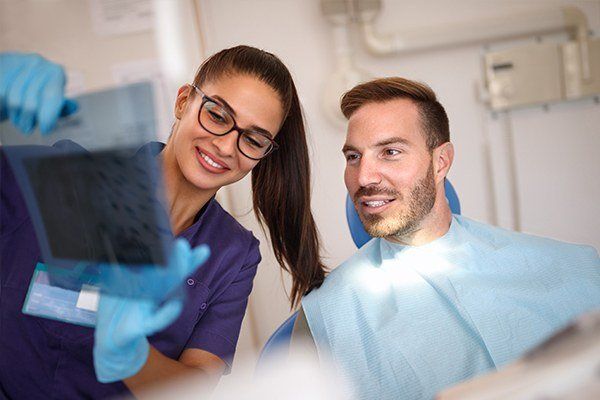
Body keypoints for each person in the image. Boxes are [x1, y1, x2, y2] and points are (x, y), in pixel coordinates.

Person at [0, 47, 326, 399]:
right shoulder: (63, 176)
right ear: (183, 101)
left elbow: (195, 387)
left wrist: (133, 357)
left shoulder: (234, 254)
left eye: (252, 139)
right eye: (217, 115)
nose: (227, 146)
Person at [299, 77, 600, 400]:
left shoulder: (571, 267)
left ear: (440, 162)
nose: (364, 177)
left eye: (390, 151)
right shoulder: (326, 316)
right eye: (353, 157)